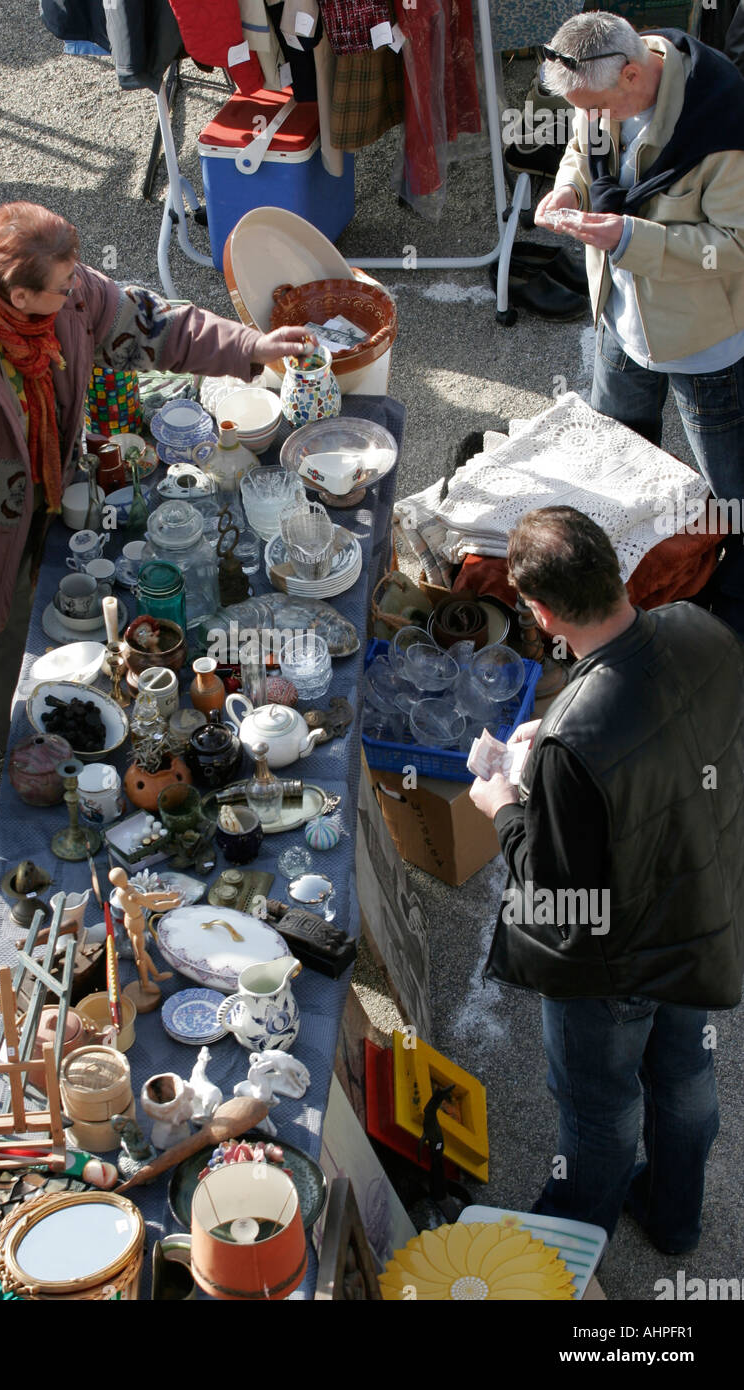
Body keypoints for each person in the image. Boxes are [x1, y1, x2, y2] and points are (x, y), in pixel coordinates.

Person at [0, 201, 312, 756]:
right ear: (18, 296)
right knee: (0, 654)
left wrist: (250, 347)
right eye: (64, 282)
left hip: (55, 507)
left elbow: (154, 325)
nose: (79, 287)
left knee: (68, 632)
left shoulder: (64, 301)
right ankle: (14, 760)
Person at [468, 506, 744, 1254]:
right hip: (702, 913)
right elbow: (669, 733)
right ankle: (675, 1218)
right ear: (616, 570)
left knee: (599, 1110)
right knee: (685, 1075)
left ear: (541, 610)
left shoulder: (576, 741)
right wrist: (555, 736)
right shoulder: (702, 627)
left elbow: (556, 894)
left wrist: (504, 804)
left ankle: (572, 1232)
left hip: (615, 960)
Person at [534, 11, 744, 633]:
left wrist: (630, 238)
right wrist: (569, 188)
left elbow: (734, 244)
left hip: (701, 345)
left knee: (730, 494)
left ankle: (730, 609)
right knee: (614, 463)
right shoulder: (599, 87)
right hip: (618, 324)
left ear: (632, 74)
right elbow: (580, 151)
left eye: (596, 106)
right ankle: (627, 587)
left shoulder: (723, 120)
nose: (590, 118)